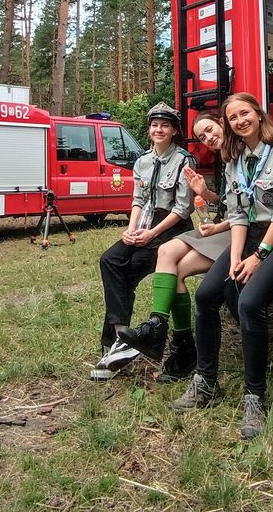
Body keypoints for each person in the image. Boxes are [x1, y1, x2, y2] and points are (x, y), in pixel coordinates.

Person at [172, 92, 273, 440]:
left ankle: (254, 396)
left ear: (258, 115)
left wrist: (257, 257)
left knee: (249, 303)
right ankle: (205, 382)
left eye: (244, 113)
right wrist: (234, 257)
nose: (239, 121)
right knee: (206, 296)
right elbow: (237, 215)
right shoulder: (235, 161)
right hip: (248, 235)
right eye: (233, 117)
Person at [116, 111, 230, 382]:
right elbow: (224, 202)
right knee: (166, 252)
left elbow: (243, 213)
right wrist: (205, 193)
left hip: (235, 230)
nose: (209, 138)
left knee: (175, 267)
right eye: (203, 136)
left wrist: (215, 222)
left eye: (211, 131)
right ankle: (159, 328)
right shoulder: (226, 158)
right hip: (221, 225)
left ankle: (180, 346)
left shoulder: (235, 155)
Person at [92, 102, 196, 381]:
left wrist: (151, 234)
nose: (158, 130)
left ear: (174, 130)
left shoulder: (184, 160)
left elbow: (183, 209)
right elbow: (138, 201)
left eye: (164, 125)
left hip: (172, 228)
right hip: (145, 223)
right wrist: (130, 230)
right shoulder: (142, 162)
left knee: (132, 267)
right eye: (154, 125)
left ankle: (118, 344)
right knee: (111, 260)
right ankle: (120, 335)